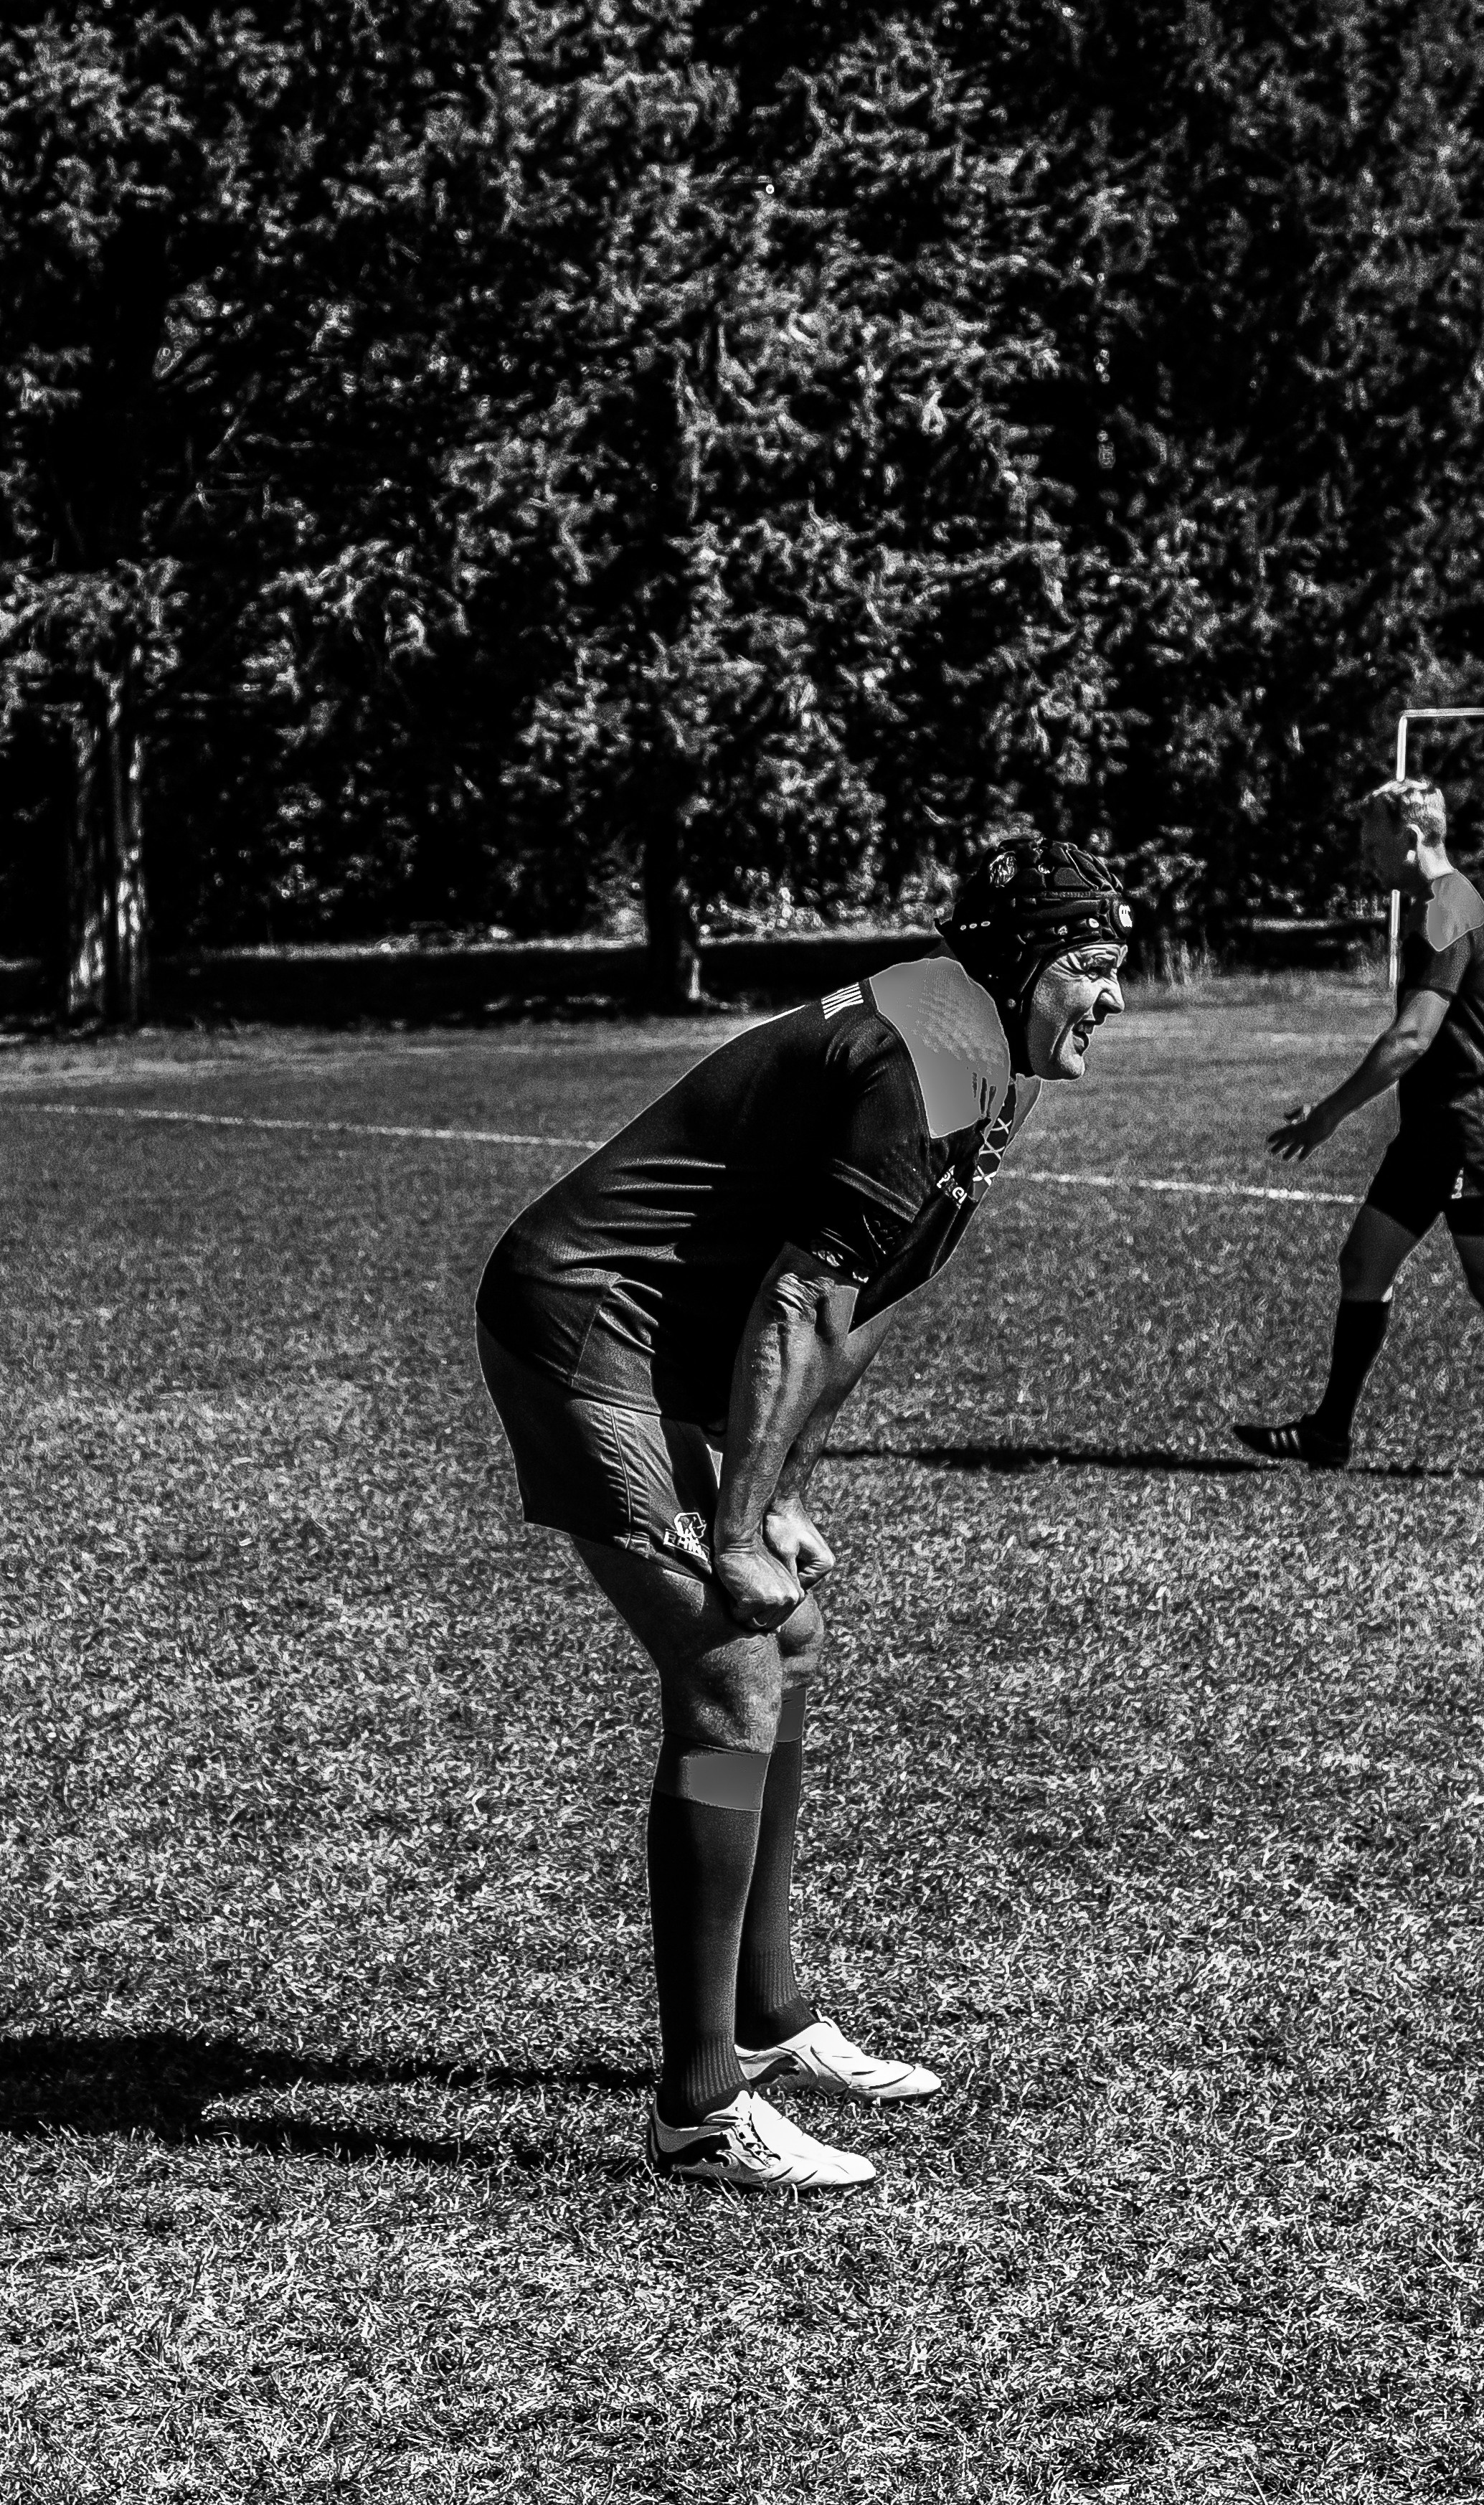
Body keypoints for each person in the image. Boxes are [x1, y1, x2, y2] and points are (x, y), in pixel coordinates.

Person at [475, 839, 1132, 2191]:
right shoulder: (923, 1055)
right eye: (1091, 967)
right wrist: (733, 1531)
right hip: (582, 1324)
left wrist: (783, 1504)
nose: (1113, 999)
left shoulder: (976, 1047)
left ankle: (765, 2022)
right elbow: (793, 1301)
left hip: (666, 1344)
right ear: (1018, 968)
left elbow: (857, 1309)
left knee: (794, 1634)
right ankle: (700, 2106)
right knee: (727, 1668)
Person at [1233, 778, 1484, 1483]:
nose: (1363, 856)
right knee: (1363, 1264)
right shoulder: (1433, 906)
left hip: (1470, 1128)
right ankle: (1330, 1433)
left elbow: (1412, 1037)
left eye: (1371, 841)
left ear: (1410, 834)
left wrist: (1331, 1112)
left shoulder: (1449, 907)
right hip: (1434, 1128)